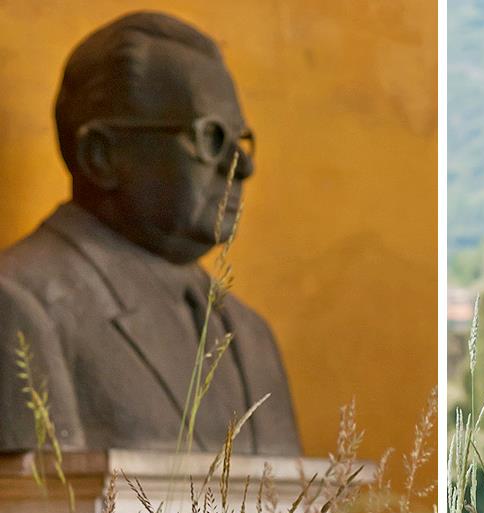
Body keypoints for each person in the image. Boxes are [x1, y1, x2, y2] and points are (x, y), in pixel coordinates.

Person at [0, 12, 301, 455]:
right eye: (211, 137)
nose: (243, 166)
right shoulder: (20, 305)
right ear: (102, 155)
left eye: (241, 139)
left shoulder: (250, 336)